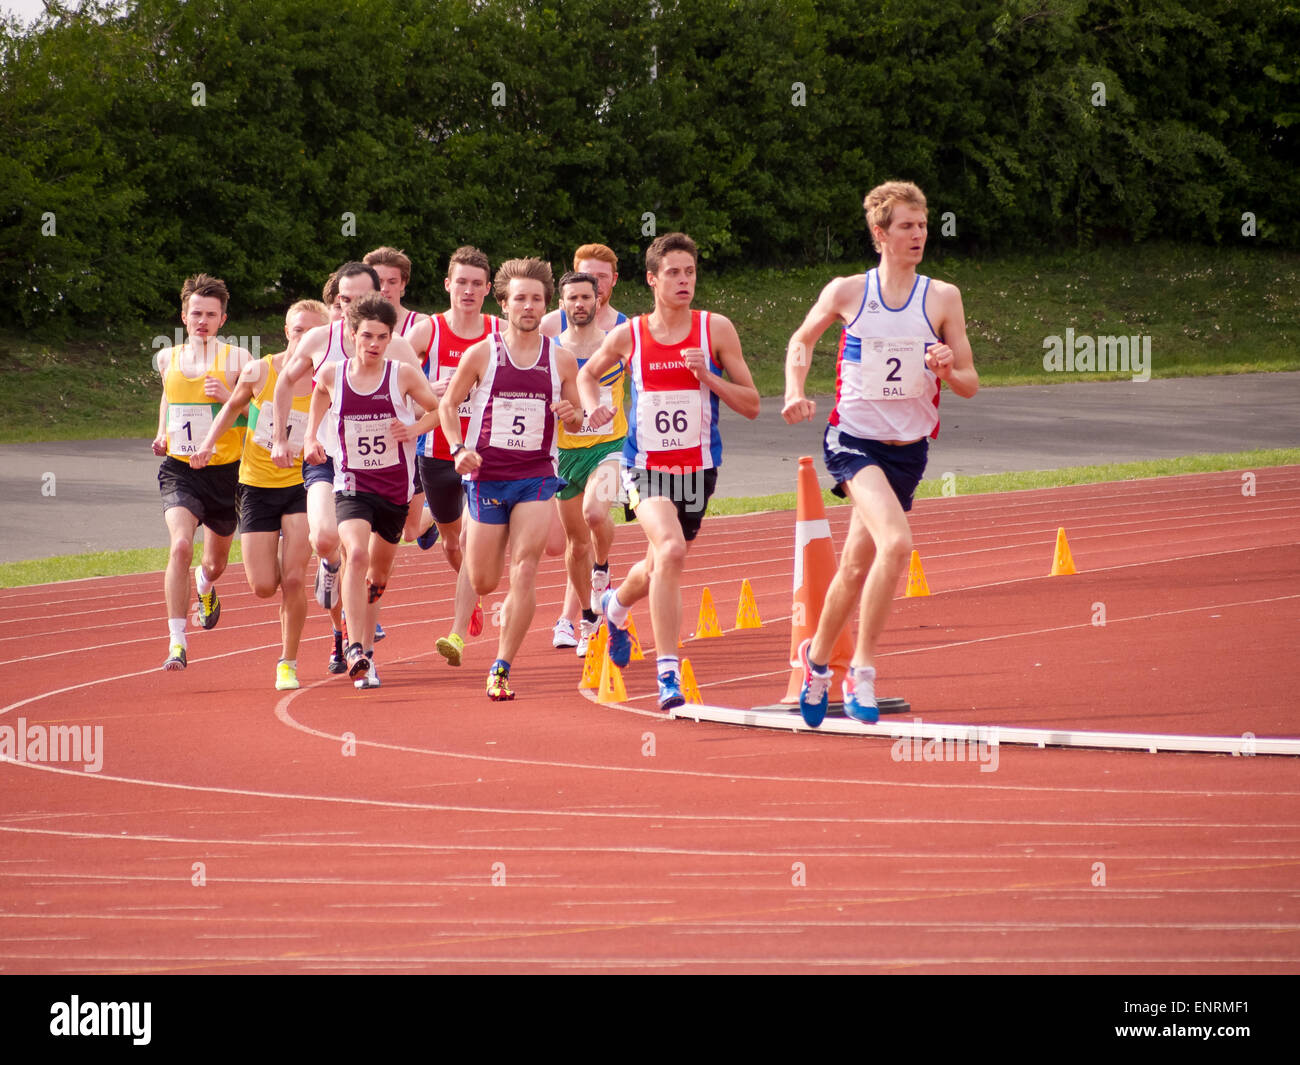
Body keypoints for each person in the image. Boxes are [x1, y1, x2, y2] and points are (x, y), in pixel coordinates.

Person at [782, 180, 979, 726]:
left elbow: (970, 383)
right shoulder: (849, 291)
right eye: (907, 227)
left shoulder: (942, 297)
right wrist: (795, 388)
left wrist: (946, 367)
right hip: (853, 440)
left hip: (908, 451)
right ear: (880, 234)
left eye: (923, 226)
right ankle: (862, 670)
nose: (918, 236)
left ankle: (817, 659)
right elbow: (802, 340)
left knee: (853, 566)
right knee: (897, 545)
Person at [579, 233, 760, 711]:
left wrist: (708, 378)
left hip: (699, 470)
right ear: (652, 279)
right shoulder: (629, 335)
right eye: (674, 273)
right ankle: (667, 673)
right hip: (646, 468)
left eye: (690, 272)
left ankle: (614, 608)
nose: (684, 281)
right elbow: (586, 374)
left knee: (660, 563)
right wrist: (593, 405)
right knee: (671, 548)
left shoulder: (715, 330)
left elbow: (753, 405)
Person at [438, 258, 583, 701]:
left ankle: (501, 666)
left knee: (525, 567)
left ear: (546, 305)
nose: (529, 306)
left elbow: (575, 422)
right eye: (520, 298)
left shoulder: (560, 360)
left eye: (537, 299)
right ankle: (477, 606)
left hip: (536, 475)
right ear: (503, 304)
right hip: (487, 477)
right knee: (483, 578)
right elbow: (447, 407)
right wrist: (460, 448)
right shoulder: (482, 353)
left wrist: (571, 413)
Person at [271, 262, 421, 681]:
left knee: (374, 566)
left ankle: (355, 643)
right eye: (343, 301)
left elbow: (424, 398)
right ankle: (332, 572)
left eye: (359, 300)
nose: (349, 309)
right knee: (327, 540)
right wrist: (288, 438)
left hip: (384, 468)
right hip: (330, 459)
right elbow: (286, 383)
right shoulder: (320, 339)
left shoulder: (394, 345)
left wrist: (418, 423)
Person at [301, 293, 443, 688]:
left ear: (390, 336)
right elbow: (317, 399)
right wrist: (312, 438)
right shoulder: (332, 374)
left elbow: (437, 410)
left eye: (382, 337)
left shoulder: (403, 374)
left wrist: (413, 429)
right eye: (366, 336)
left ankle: (366, 647)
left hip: (395, 489)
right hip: (352, 486)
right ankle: (355, 649)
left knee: (377, 578)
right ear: (352, 334)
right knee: (356, 553)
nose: (374, 345)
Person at [190, 300, 330, 690]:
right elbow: (230, 409)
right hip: (255, 487)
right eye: (297, 329)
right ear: (287, 331)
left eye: (312, 331)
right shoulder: (260, 371)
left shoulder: (328, 379)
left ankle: (288, 661)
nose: (304, 337)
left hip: (301, 486)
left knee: (293, 578)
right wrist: (206, 445)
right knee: (263, 586)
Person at [152, 273, 254, 670]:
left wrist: (228, 397)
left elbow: (256, 417)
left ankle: (205, 586)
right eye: (196, 313)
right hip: (180, 470)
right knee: (179, 546)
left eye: (211, 314)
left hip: (226, 474)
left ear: (223, 319)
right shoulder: (167, 358)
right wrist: (161, 433)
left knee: (214, 563)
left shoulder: (239, 361)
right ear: (183, 314)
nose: (202, 321)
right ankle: (177, 642)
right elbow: (168, 397)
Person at [542, 243, 629, 649]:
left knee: (596, 513)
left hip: (611, 444)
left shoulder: (618, 341)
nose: (580, 304)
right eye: (573, 298)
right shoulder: (552, 346)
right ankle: (590, 620)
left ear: (599, 300)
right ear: (563, 303)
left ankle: (603, 567)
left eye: (586, 297)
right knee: (574, 544)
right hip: (566, 453)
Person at [417, 246, 500, 668]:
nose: (467, 290)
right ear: (448, 284)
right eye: (460, 282)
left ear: (487, 289)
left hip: (484, 456)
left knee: (469, 539)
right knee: (452, 543)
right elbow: (395, 389)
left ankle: (455, 633)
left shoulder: (498, 332)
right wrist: (435, 388)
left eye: (476, 284)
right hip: (436, 455)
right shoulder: (427, 332)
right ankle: (472, 599)